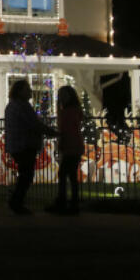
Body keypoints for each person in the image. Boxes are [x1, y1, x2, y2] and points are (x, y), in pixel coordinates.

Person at [4, 79, 56, 215]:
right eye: (27, 89)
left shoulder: (12, 106)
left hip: (17, 145)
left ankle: (16, 200)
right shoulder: (22, 106)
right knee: (26, 175)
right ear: (20, 91)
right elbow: (33, 124)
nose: (30, 91)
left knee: (25, 174)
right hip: (24, 144)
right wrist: (52, 132)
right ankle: (16, 201)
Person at [45, 86, 84, 215]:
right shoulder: (72, 110)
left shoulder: (69, 111)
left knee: (64, 174)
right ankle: (72, 203)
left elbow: (64, 128)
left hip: (71, 146)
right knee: (70, 175)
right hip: (73, 146)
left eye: (62, 95)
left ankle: (65, 202)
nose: (60, 97)